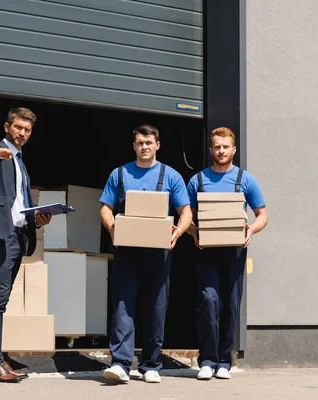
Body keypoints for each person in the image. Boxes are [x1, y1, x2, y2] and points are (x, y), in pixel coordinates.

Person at [100, 124, 192, 384]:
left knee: (156, 309)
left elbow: (186, 211)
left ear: (157, 145)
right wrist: (112, 227)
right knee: (122, 307)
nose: (145, 147)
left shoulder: (171, 176)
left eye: (149, 143)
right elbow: (105, 208)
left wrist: (178, 233)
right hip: (126, 252)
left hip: (158, 253)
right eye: (140, 143)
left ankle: (150, 364)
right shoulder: (119, 174)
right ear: (134, 146)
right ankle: (120, 364)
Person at [186, 127, 268, 380]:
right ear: (211, 150)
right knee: (209, 302)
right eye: (217, 147)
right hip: (207, 249)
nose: (221, 151)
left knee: (231, 304)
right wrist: (193, 232)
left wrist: (251, 230)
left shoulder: (245, 179)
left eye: (225, 147)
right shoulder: (197, 180)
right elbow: (185, 215)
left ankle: (224, 361)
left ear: (233, 150)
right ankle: (207, 360)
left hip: (234, 249)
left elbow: (262, 215)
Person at [0, 107, 52, 382]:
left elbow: (20, 204)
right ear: (7, 127)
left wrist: (38, 219)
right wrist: (0, 154)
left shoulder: (21, 162)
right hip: (0, 236)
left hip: (18, 235)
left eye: (27, 129)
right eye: (18, 127)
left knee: (2, 300)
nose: (22, 133)